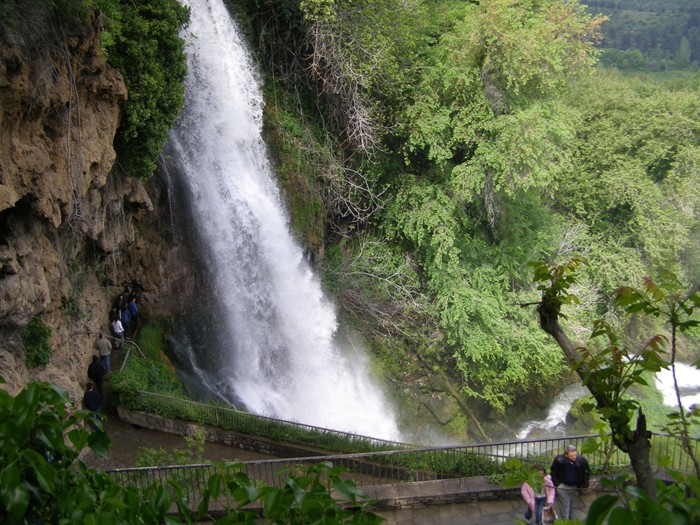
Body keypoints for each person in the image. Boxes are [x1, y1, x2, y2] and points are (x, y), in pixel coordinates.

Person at [550, 444, 591, 520]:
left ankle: (568, 519)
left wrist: (584, 485)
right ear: (566, 455)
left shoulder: (581, 460)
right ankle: (565, 521)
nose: (574, 457)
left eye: (575, 454)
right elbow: (553, 472)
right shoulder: (559, 460)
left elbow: (586, 472)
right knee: (565, 505)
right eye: (572, 455)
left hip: (575, 486)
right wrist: (557, 485)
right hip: (563, 486)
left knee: (570, 504)